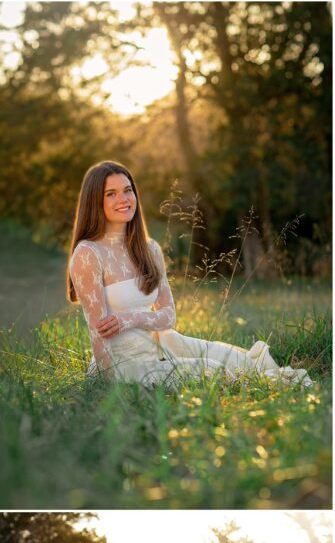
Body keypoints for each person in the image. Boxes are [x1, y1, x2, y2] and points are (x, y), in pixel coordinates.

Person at [67, 160, 312, 388]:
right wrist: (109, 383)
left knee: (235, 359)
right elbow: (97, 333)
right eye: (111, 194)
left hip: (161, 343)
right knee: (211, 370)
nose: (123, 199)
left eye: (127, 190)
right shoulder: (88, 253)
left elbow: (168, 316)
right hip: (124, 363)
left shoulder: (149, 249)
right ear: (95, 202)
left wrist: (129, 319)